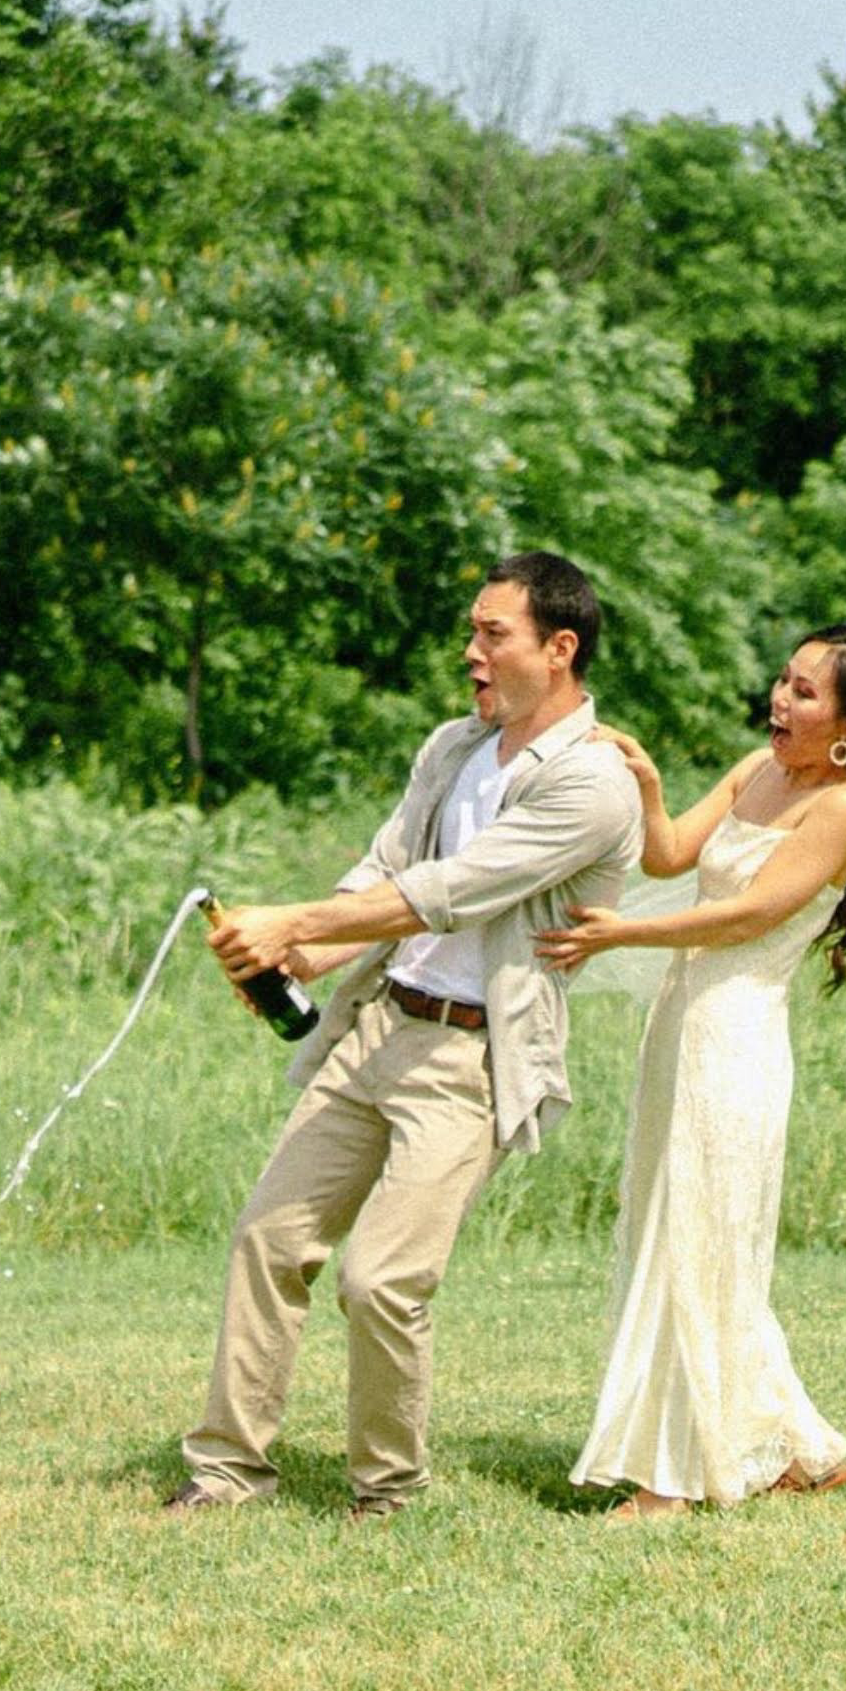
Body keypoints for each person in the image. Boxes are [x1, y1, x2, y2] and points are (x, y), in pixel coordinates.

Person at [165, 551, 642, 1519]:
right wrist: (306, 957)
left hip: (469, 1059)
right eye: (471, 631)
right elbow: (388, 865)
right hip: (376, 1026)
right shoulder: (453, 746)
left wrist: (292, 921)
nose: (471, 652)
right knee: (268, 1239)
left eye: (492, 634)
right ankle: (226, 1470)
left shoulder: (594, 785)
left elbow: (451, 891)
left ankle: (387, 1491)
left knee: (381, 1279)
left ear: (560, 649)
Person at [536, 622, 846, 1523]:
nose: (780, 700)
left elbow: (749, 916)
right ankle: (800, 1447)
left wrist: (623, 933)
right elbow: (670, 856)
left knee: (700, 1241)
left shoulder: (845, 808)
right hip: (679, 1024)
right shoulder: (756, 769)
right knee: (674, 1229)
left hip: (736, 1038)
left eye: (805, 692)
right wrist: (649, 786)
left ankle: (670, 1478)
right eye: (783, 681)